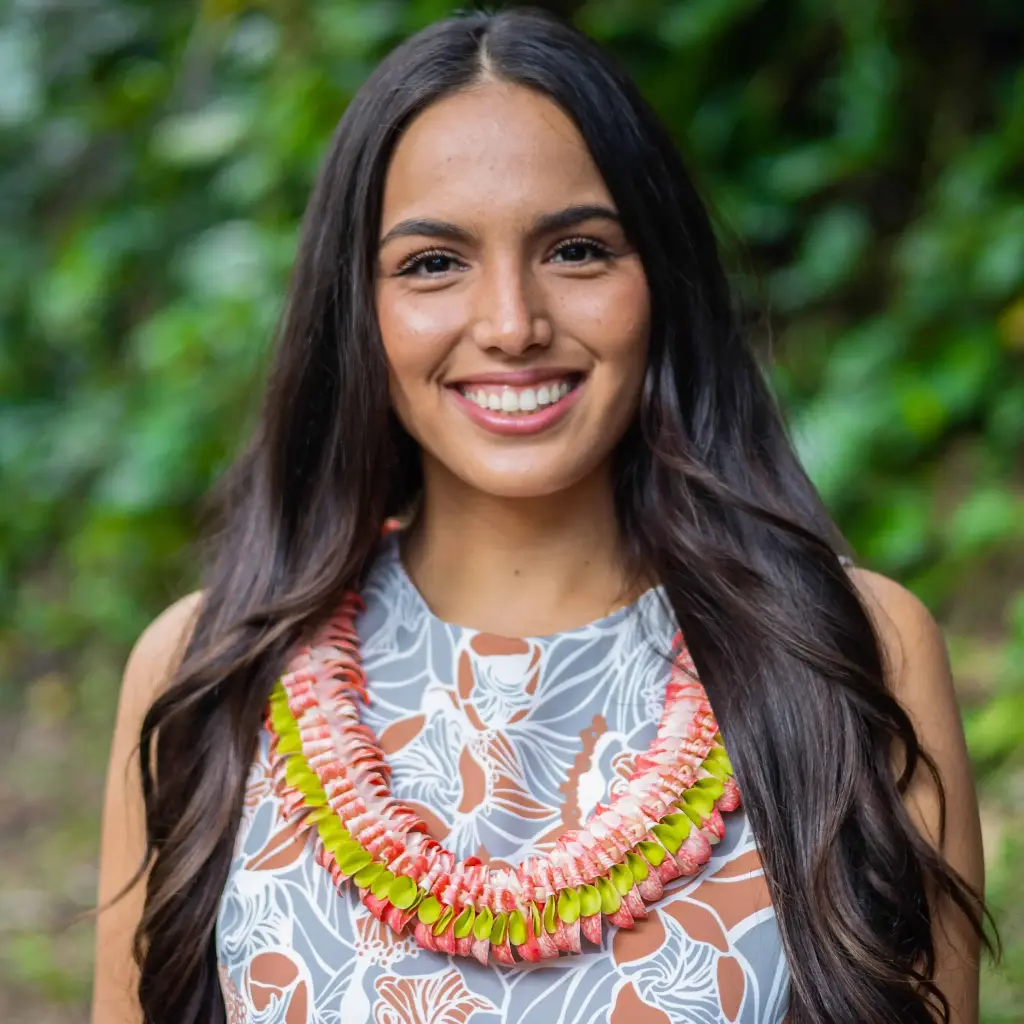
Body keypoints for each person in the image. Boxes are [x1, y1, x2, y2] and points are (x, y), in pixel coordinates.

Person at [91, 8, 988, 1023]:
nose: (512, 324)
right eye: (433, 263)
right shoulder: (207, 677)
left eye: (575, 250)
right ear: (357, 309)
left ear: (660, 279)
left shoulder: (850, 660)